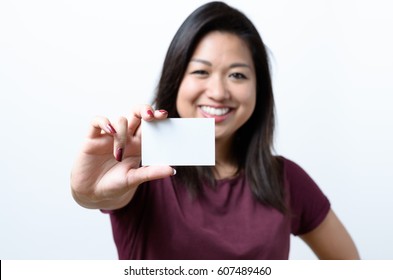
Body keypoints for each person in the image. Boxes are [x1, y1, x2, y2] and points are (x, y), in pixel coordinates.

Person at [70, 1, 359, 259]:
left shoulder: (286, 180)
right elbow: (98, 195)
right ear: (176, 79)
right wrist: (89, 190)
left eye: (237, 75)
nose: (219, 92)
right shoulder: (141, 173)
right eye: (201, 71)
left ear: (259, 88)